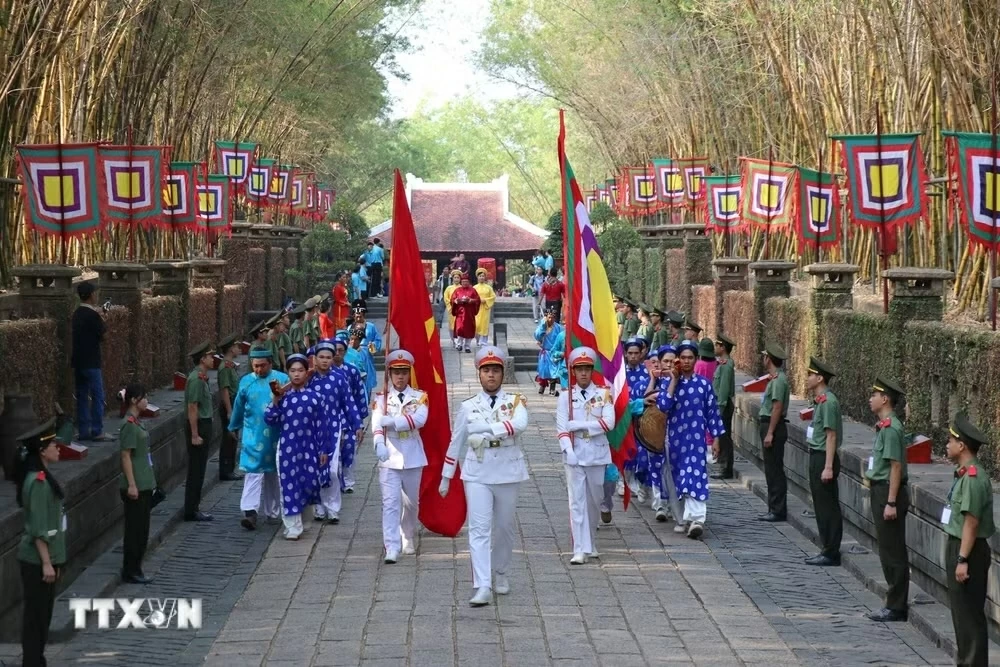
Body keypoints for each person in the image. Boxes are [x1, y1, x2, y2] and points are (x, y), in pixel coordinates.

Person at [440, 346, 528, 607]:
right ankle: (482, 584)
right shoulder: (468, 406)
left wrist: (488, 427)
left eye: (496, 371)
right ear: (479, 374)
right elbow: (456, 442)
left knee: (503, 528)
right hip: (477, 471)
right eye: (486, 370)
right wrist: (446, 476)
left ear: (503, 374)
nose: (491, 375)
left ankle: (500, 571)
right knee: (478, 529)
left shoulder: (515, 401)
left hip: (507, 470)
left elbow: (520, 425)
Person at [654, 340, 724, 539]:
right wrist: (673, 382)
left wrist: (716, 439)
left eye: (690, 358)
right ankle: (683, 518)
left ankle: (697, 519)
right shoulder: (669, 383)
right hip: (675, 441)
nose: (686, 361)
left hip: (696, 441)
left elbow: (712, 413)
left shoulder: (704, 385)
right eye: (683, 358)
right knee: (678, 480)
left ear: (696, 359)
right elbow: (663, 407)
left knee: (695, 476)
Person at [942, 412, 994, 667]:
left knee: (969, 617)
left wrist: (962, 559)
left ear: (961, 445)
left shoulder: (973, 478)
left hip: (968, 551)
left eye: (950, 441)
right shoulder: (965, 474)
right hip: (962, 547)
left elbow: (971, 523)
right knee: (961, 616)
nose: (947, 445)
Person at [14, 419, 65, 667]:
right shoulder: (38, 483)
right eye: (54, 445)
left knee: (42, 617)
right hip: (36, 561)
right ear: (42, 450)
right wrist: (47, 562)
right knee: (35, 618)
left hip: (46, 559)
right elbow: (38, 528)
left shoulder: (43, 477)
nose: (59, 448)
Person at [557, 347, 615, 564]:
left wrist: (580, 425)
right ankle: (579, 548)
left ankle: (590, 541)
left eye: (587, 369)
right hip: (574, 454)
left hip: (597, 454)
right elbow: (562, 428)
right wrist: (568, 451)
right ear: (573, 371)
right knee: (576, 502)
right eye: (579, 369)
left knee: (594, 500)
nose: (583, 373)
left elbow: (608, 423)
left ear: (592, 371)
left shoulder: (602, 394)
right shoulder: (565, 397)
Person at [371, 350, 429, 563]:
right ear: (389, 373)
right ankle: (391, 546)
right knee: (390, 503)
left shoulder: (420, 397)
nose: (400, 376)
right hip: (390, 454)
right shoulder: (382, 398)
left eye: (404, 371)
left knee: (411, 503)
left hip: (412, 453)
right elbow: (377, 424)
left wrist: (394, 422)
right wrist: (378, 443)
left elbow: (420, 419)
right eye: (396, 372)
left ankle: (408, 534)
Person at [265, 354, 330, 540]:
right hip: (287, 449)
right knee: (289, 486)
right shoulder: (282, 398)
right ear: (288, 373)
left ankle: (304, 518)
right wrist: (275, 401)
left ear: (306, 372)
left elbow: (322, 425)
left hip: (309, 449)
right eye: (292, 371)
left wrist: (323, 449)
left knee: (309, 483)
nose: (296, 374)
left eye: (300, 370)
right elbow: (270, 419)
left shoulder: (315, 397)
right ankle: (292, 526)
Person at [864, 377, 910, 623]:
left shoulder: (892, 428)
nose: (870, 399)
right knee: (886, 549)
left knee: (893, 551)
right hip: (881, 490)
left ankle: (897, 605)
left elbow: (895, 467)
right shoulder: (884, 426)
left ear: (885, 399)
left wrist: (891, 502)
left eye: (874, 395)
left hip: (888, 492)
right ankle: (893, 602)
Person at [230, 348, 288, 530]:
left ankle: (272, 511)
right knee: (253, 472)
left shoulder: (282, 380)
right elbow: (238, 406)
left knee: (273, 473)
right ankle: (249, 511)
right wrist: (234, 425)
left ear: (270, 363)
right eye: (255, 366)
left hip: (276, 434)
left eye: (262, 366)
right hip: (253, 435)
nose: (258, 370)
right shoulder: (246, 382)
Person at [803, 357, 843, 566]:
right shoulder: (820, 401)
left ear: (819, 378)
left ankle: (831, 550)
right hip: (817, 454)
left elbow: (831, 436)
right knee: (820, 504)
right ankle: (826, 547)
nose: (807, 378)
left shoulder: (828, 402)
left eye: (810, 375)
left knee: (827, 506)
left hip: (823, 457)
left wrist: (828, 466)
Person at [307, 340, 352, 524]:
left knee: (332, 470)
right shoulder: (308, 379)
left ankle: (333, 508)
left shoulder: (339, 378)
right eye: (321, 357)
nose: (325, 361)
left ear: (333, 359)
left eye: (328, 358)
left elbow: (348, 403)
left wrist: (355, 425)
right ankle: (318, 507)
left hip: (333, 428)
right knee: (315, 470)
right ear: (315, 359)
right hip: (311, 430)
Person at [119, 383, 155, 583]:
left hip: (144, 481)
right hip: (136, 485)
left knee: (142, 529)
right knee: (135, 530)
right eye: (144, 397)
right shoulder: (129, 425)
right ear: (134, 400)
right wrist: (132, 484)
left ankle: (137, 567)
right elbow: (125, 456)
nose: (146, 400)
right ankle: (131, 569)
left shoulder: (137, 422)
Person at [71, 281, 110, 441]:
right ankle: (97, 430)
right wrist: (103, 319)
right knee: (97, 396)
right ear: (91, 295)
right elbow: (104, 336)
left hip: (78, 361)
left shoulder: (77, 314)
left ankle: (83, 430)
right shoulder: (93, 315)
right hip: (92, 362)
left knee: (81, 397)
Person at [757, 342, 789, 522]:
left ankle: (777, 509)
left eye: (764, 356)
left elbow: (777, 408)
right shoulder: (776, 379)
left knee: (774, 470)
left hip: (773, 426)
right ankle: (774, 507)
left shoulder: (778, 381)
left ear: (768, 359)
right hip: (770, 424)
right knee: (771, 469)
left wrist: (770, 432)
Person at [183, 341, 215, 522]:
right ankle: (191, 509)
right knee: (196, 469)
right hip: (199, 426)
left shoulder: (201, 377)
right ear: (202, 359)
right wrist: (195, 434)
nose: (212, 359)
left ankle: (194, 506)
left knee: (200, 468)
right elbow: (193, 407)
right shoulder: (196, 379)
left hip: (203, 424)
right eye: (210, 356)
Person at [331, 336, 368, 493]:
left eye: (341, 350)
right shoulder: (326, 373)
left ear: (346, 352)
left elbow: (359, 394)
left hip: (349, 416)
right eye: (335, 351)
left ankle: (348, 480)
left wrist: (358, 419)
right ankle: (336, 480)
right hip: (332, 416)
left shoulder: (352, 370)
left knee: (349, 448)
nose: (338, 353)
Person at [216, 333, 244, 482]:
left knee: (233, 438)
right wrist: (229, 410)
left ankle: (230, 468)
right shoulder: (225, 367)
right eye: (236, 346)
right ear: (230, 349)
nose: (238, 349)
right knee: (229, 438)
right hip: (230, 404)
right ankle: (226, 470)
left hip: (234, 403)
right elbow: (225, 390)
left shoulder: (230, 365)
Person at [711, 334, 736, 480]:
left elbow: (724, 389)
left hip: (724, 405)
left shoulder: (726, 366)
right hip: (721, 403)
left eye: (717, 345)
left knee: (725, 437)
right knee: (722, 436)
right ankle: (724, 465)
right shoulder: (722, 363)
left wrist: (720, 408)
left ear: (723, 347)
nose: (715, 348)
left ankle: (727, 468)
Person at [534, 307, 563, 396]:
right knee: (543, 371)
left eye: (553, 317)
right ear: (546, 317)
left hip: (553, 353)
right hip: (545, 352)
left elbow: (561, 338)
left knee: (553, 371)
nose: (551, 319)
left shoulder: (558, 327)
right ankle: (542, 387)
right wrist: (543, 327)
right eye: (549, 317)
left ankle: (552, 389)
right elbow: (537, 336)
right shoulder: (542, 326)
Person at [450, 273, 481, 353]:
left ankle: (467, 346)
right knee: (459, 329)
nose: (465, 283)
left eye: (466, 281)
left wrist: (471, 300)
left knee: (469, 330)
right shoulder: (457, 290)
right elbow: (452, 299)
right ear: (461, 282)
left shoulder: (473, 290)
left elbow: (478, 300)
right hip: (460, 313)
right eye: (463, 281)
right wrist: (456, 301)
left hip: (469, 314)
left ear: (469, 282)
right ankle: (459, 344)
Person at [473, 268, 497, 348]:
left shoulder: (488, 288)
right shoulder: (474, 288)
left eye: (483, 276)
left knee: (485, 325)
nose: (481, 277)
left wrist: (485, 300)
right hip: (476, 308)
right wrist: (478, 300)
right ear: (477, 277)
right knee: (477, 324)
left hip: (486, 308)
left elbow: (493, 297)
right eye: (480, 276)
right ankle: (477, 339)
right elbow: (471, 297)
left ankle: (484, 341)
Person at [443, 270, 462, 341]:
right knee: (451, 325)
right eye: (455, 277)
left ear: (460, 279)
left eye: (458, 278)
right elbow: (446, 297)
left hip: (461, 310)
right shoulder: (449, 288)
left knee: (460, 325)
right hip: (452, 309)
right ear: (453, 278)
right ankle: (453, 340)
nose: (456, 279)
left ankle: (459, 340)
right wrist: (451, 305)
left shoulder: (462, 288)